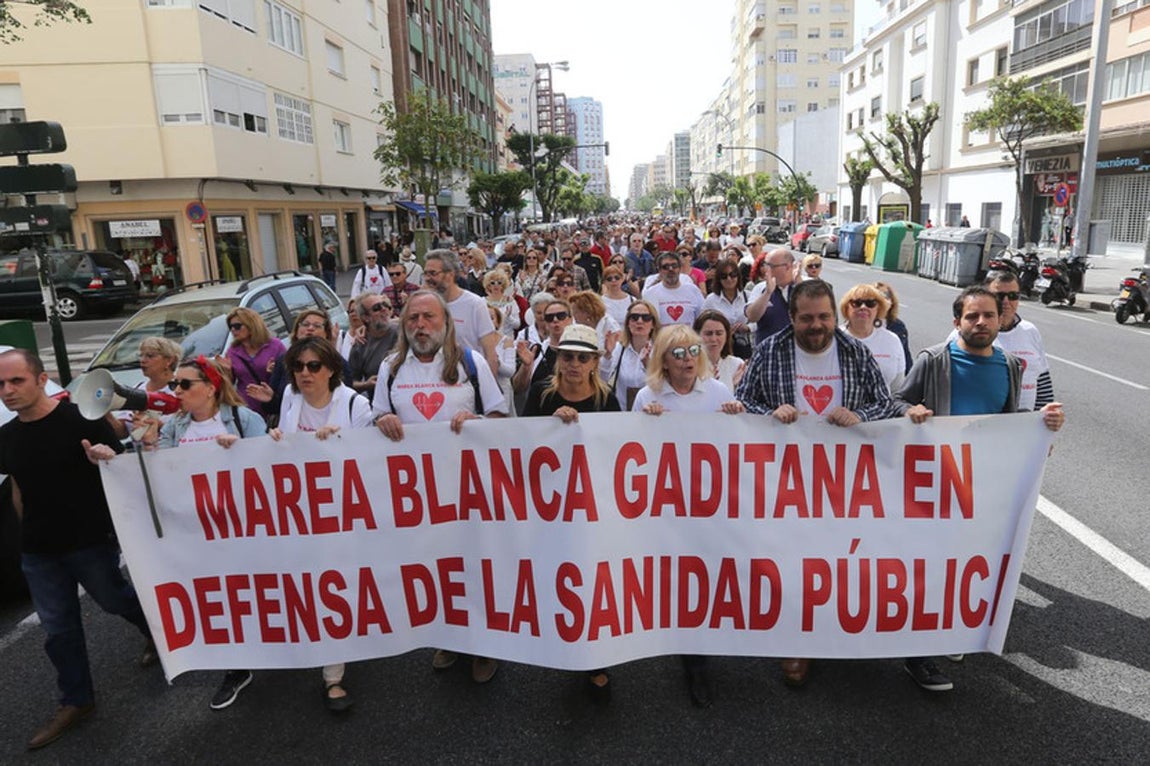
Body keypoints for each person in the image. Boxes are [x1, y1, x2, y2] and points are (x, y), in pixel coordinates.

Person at [895, 285, 1065, 692]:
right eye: (972, 316)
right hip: (934, 488)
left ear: (1000, 320)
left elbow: (1011, 421)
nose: (981, 322)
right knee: (930, 568)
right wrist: (911, 410)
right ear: (957, 322)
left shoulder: (1008, 365)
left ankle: (953, 632)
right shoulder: (934, 360)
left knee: (967, 567)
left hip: (982, 491)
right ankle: (918, 656)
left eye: (989, 315)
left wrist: (1041, 425)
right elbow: (893, 403)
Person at [735, 280, 900, 690]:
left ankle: (837, 629)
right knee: (794, 561)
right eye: (807, 318)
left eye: (824, 316)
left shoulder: (855, 352)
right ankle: (798, 642)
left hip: (844, 482)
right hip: (785, 481)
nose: (817, 325)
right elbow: (742, 401)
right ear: (791, 318)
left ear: (834, 315)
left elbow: (884, 403)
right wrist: (771, 413)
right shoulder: (770, 350)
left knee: (839, 558)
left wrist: (860, 415)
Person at [0, 349, 157, 751]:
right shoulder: (7, 436)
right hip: (39, 551)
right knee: (58, 630)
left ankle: (156, 634)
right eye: (1, 384)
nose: (8, 391)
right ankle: (76, 701)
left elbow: (121, 469)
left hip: (87, 541)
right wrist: (25, 536)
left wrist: (102, 458)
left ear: (41, 379)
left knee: (115, 600)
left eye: (16, 381)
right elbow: (18, 486)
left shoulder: (79, 419)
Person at [372, 290, 507, 684]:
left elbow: (500, 415)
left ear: (445, 322)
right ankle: (450, 637)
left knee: (477, 565)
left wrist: (478, 419)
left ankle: (486, 644)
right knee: (435, 568)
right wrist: (382, 421)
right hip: (419, 494)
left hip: (469, 488)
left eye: (428, 317)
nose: (420, 326)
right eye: (413, 318)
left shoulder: (469, 362)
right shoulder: (392, 367)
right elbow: (379, 413)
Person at [138, 356, 267, 710]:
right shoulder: (173, 429)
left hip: (242, 529)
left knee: (253, 594)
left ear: (210, 388)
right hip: (196, 532)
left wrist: (241, 452)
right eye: (174, 384)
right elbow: (158, 472)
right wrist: (145, 446)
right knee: (218, 598)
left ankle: (273, 646)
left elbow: (270, 468)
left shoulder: (243, 419)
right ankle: (236, 667)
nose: (176, 390)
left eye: (184, 384)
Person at [631, 326, 745, 709]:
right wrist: (645, 424)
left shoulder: (718, 393)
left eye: (693, 350)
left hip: (708, 507)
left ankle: (698, 655)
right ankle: (682, 646)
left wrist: (737, 418)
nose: (687, 359)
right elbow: (630, 453)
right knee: (674, 577)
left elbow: (737, 451)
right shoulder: (648, 396)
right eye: (677, 353)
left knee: (704, 575)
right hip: (666, 507)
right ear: (662, 359)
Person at [267, 337, 373, 712]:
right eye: (298, 367)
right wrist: (276, 441)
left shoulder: (355, 404)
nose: (304, 373)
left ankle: (334, 677)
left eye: (313, 366)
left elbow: (370, 462)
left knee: (336, 585)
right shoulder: (291, 400)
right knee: (312, 582)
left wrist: (342, 444)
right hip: (302, 512)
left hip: (345, 513)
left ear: (331, 368)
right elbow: (284, 455)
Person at [421, 249, 500, 376]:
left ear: (450, 274)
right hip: (432, 382)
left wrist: (488, 389)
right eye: (425, 274)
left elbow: (490, 353)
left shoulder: (475, 304)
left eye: (433, 273)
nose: (427, 279)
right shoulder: (423, 304)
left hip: (468, 380)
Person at [109, 336, 182, 440]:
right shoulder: (137, 389)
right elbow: (122, 433)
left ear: (169, 360)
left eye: (150, 356)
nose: (142, 360)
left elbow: (187, 429)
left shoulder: (181, 390)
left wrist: (156, 425)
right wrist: (105, 412)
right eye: (141, 356)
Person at [839, 284, 908, 393]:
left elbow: (897, 388)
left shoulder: (892, 340)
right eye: (856, 303)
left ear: (878, 309)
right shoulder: (834, 339)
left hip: (883, 408)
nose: (863, 307)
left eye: (870, 303)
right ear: (846, 308)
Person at [219, 307, 286, 419]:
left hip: (272, 405)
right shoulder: (233, 350)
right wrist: (226, 371)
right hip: (247, 407)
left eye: (237, 326)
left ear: (251, 325)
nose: (233, 330)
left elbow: (287, 376)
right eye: (231, 327)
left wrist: (274, 370)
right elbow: (230, 384)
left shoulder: (275, 346)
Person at [347, 293, 399, 402]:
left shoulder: (403, 331)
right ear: (366, 317)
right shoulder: (361, 343)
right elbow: (349, 383)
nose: (384, 309)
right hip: (380, 406)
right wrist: (366, 385)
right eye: (377, 308)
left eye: (385, 305)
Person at [745, 247, 798, 344]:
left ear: (787, 267)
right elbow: (751, 317)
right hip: (767, 352)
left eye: (771, 266)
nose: (766, 270)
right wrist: (767, 293)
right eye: (765, 264)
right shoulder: (760, 288)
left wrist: (799, 285)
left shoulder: (805, 285)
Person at [702, 260, 752, 359]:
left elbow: (760, 321)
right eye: (724, 276)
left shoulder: (749, 296)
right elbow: (703, 324)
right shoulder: (711, 300)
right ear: (719, 279)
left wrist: (748, 327)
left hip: (745, 347)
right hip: (721, 349)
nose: (729, 279)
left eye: (732, 275)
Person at [643, 251, 704, 327]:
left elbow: (702, 319)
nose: (671, 269)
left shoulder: (693, 290)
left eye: (674, 266)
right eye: (666, 267)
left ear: (680, 268)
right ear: (659, 270)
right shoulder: (650, 294)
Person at [693, 310, 746, 394]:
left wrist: (738, 388)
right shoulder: (690, 366)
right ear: (697, 335)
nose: (714, 339)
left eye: (719, 333)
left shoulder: (737, 364)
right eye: (708, 334)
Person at [874, 281, 912, 373]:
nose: (882, 302)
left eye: (885, 297)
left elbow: (905, 356)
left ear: (891, 302)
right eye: (877, 299)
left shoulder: (898, 326)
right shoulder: (860, 324)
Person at [484, 269, 521, 338]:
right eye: (492, 283)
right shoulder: (482, 301)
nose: (496, 285)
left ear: (503, 285)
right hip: (488, 338)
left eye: (499, 283)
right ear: (488, 285)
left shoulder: (510, 301)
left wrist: (509, 318)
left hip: (506, 339)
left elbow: (517, 325)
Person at [600, 264, 632, 328]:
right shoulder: (600, 302)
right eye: (609, 279)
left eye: (617, 278)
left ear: (622, 279)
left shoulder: (632, 300)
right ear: (604, 282)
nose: (613, 280)